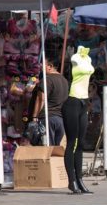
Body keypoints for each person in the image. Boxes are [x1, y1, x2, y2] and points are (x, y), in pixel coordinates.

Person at [62, 46, 94, 194]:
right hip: (72, 101)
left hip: (84, 102)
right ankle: (72, 180)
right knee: (71, 142)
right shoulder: (74, 58)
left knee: (80, 143)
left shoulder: (88, 58)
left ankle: (80, 179)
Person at [31, 57, 69, 146]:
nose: (40, 67)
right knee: (55, 149)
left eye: (42, 64)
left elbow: (41, 99)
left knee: (46, 149)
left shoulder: (47, 79)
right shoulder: (64, 80)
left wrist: (34, 117)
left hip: (47, 118)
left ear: (50, 66)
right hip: (60, 120)